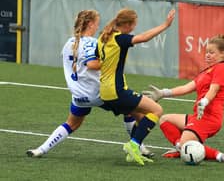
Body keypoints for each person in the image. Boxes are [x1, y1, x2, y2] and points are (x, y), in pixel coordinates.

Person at [26, 10, 152, 158]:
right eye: (97, 23)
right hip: (99, 93)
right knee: (133, 111)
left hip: (79, 94)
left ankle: (41, 149)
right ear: (90, 24)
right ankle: (139, 146)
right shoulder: (92, 42)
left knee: (71, 124)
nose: (98, 26)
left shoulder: (69, 43)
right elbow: (92, 64)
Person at [96, 8, 175, 165]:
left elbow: (97, 62)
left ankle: (135, 149)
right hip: (117, 91)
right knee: (157, 110)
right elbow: (144, 38)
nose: (134, 28)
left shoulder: (103, 38)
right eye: (133, 25)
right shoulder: (120, 38)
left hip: (105, 92)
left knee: (141, 117)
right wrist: (165, 25)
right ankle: (133, 145)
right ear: (128, 24)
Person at [143, 35, 224, 163]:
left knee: (186, 144)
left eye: (212, 52)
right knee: (165, 120)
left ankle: (220, 156)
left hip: (210, 118)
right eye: (206, 52)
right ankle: (180, 148)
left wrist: (205, 101)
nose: (207, 55)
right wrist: (163, 93)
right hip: (198, 116)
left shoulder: (221, 68)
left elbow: (213, 90)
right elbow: (186, 88)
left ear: (222, 54)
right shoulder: (206, 71)